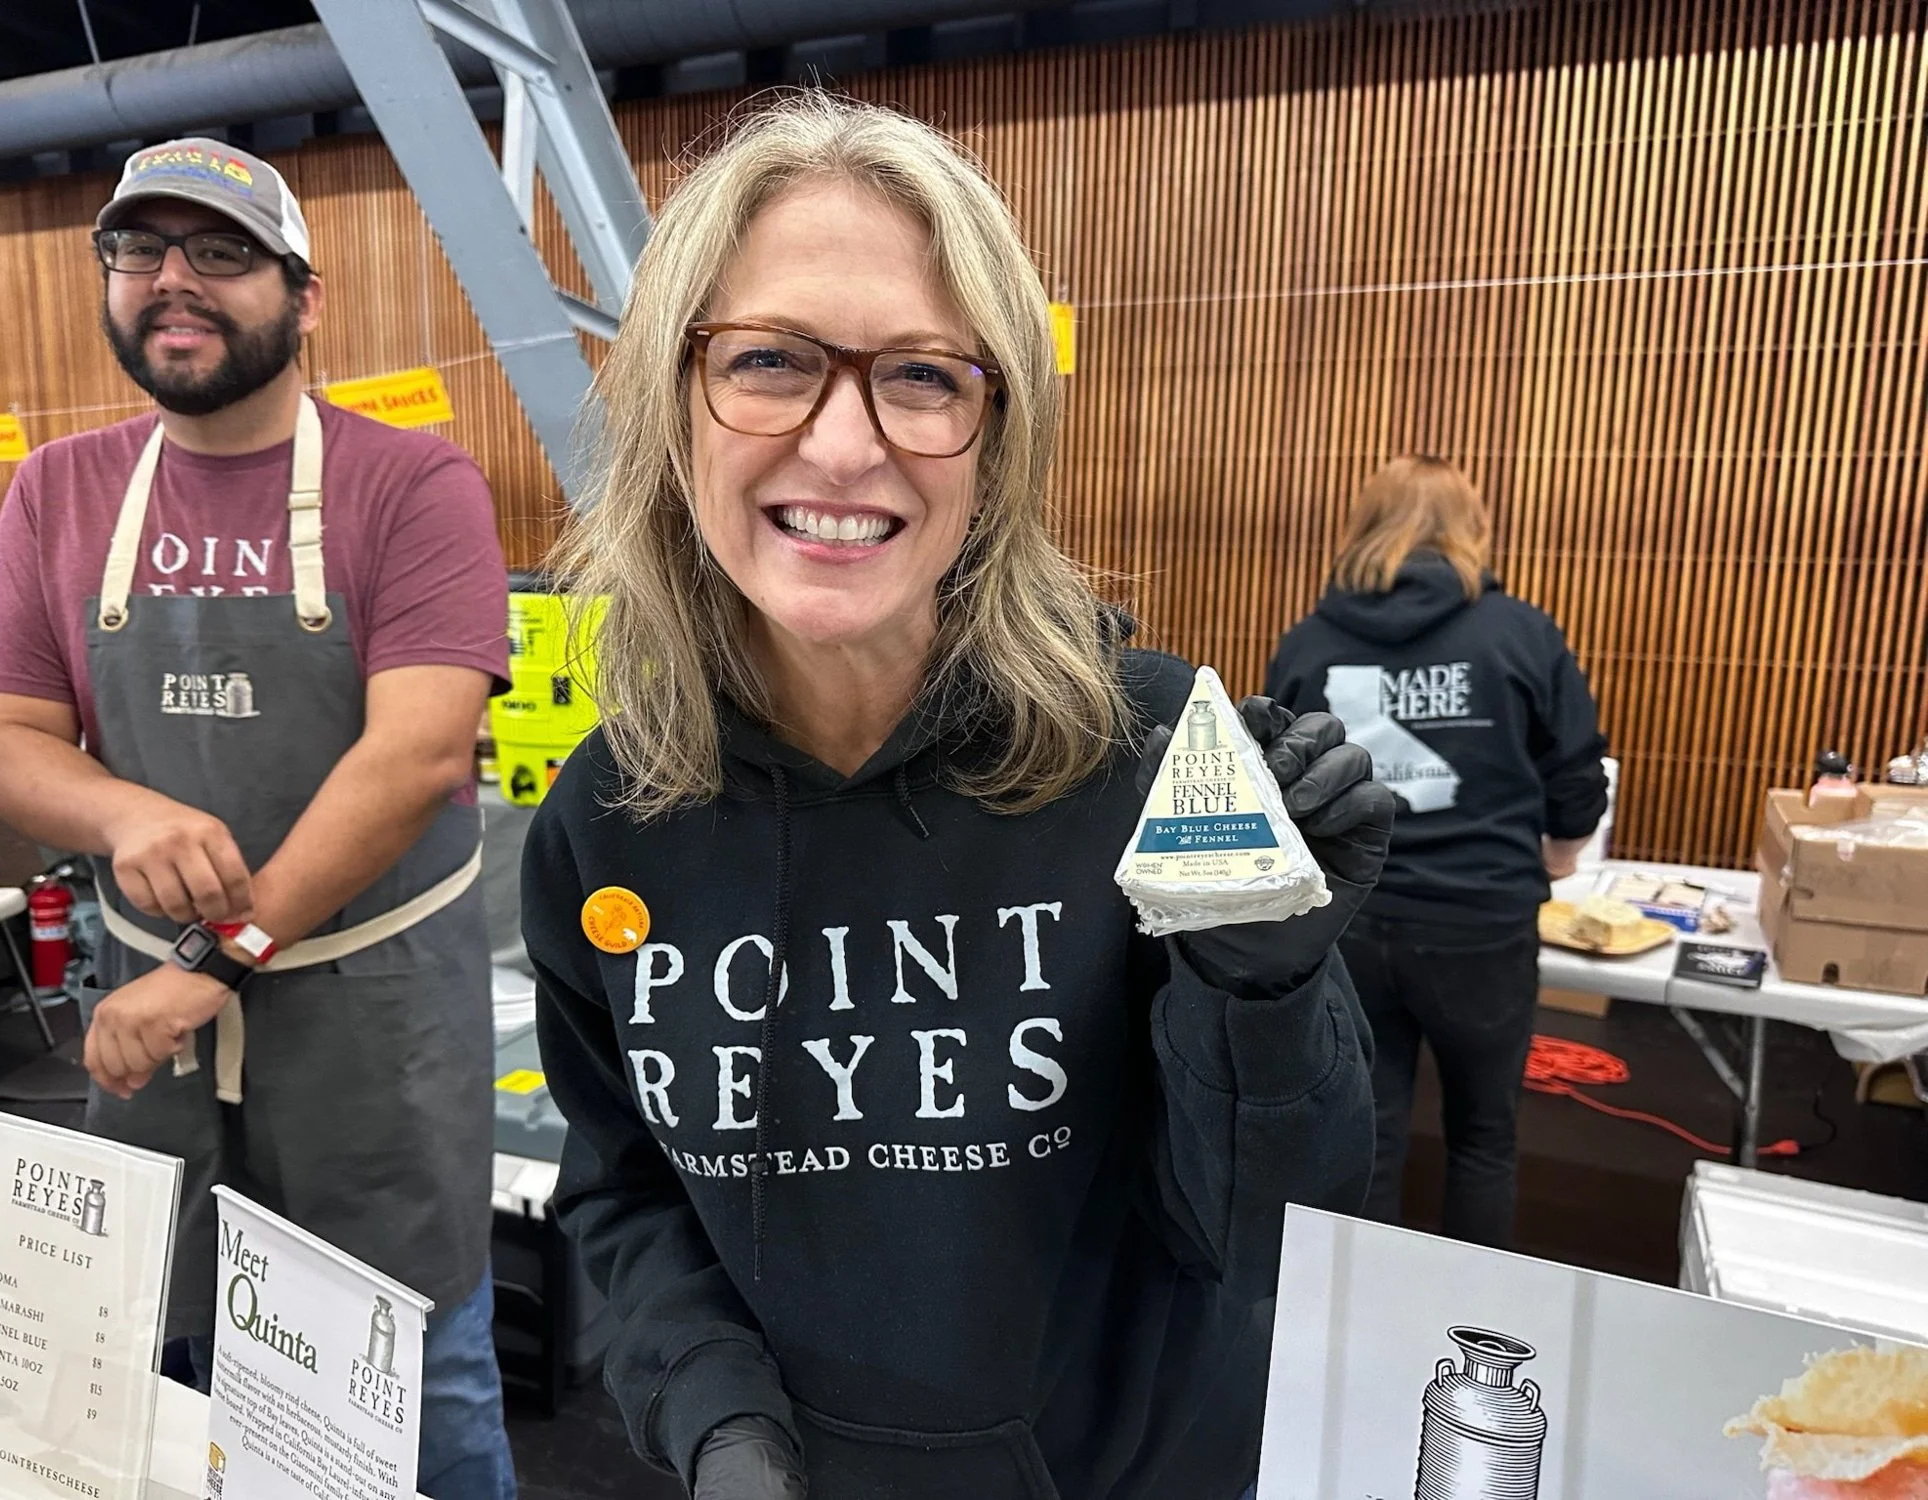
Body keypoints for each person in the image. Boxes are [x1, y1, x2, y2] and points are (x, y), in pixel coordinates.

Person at [522, 95, 1392, 1500]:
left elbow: (1275, 1242)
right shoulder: (608, 814)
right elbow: (623, 1189)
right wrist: (719, 1425)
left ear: (998, 437)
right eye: (768, 360)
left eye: (923, 376)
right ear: (672, 406)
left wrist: (1265, 994)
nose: (845, 445)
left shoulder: (1160, 751)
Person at [0, 138, 517, 1499]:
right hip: (146, 1024)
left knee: (414, 1373)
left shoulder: (415, 487)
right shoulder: (59, 491)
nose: (174, 283)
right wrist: (122, 808)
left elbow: (415, 756)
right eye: (140, 252)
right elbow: (9, 749)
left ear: (302, 295)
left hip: (369, 1023)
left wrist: (214, 962)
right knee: (186, 1367)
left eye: (219, 253)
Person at [1264, 456, 1609, 1250]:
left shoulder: (1311, 642)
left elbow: (1277, 773)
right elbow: (1576, 767)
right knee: (1484, 1136)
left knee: (1370, 1129)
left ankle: (1363, 1331)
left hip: (1354, 920)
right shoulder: (1519, 632)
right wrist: (1559, 853)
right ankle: (1472, 1334)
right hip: (1482, 923)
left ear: (1364, 523)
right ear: (1472, 527)